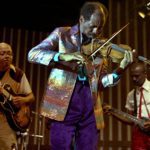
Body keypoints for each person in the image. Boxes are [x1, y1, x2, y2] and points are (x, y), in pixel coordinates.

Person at [28, 1, 133, 149]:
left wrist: (120, 70)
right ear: (82, 19)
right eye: (93, 26)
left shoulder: (102, 45)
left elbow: (101, 83)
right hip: (62, 104)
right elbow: (33, 54)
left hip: (90, 106)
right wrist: (63, 57)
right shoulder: (62, 34)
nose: (96, 32)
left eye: (100, 27)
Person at [103, 61, 150, 150]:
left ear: (145, 73)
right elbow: (131, 120)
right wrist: (113, 112)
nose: (134, 79)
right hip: (139, 137)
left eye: (137, 76)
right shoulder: (131, 95)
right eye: (132, 76)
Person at [0, 42, 34, 150]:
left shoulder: (18, 74)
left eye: (9, 54)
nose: (7, 56)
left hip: (7, 124)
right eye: (2, 53)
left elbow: (31, 97)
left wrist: (23, 100)